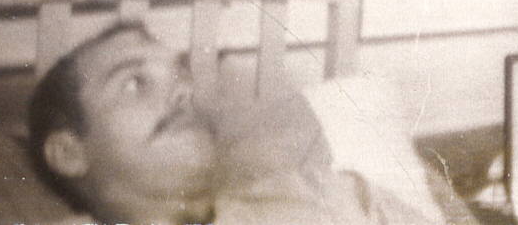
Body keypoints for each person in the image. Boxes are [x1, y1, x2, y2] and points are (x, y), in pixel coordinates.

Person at [28, 21, 445, 225]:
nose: (181, 91)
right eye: (135, 83)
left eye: (179, 74)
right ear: (68, 152)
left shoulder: (327, 193)